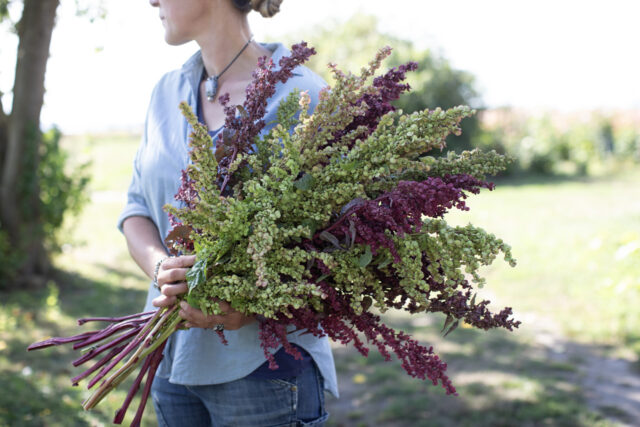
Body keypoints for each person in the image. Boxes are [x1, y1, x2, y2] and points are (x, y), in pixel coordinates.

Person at [117, 0, 338, 425]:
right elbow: (137, 209)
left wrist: (250, 308)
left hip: (263, 371)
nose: (152, 1)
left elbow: (342, 249)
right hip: (169, 361)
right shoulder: (166, 92)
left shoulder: (305, 97)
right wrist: (162, 267)